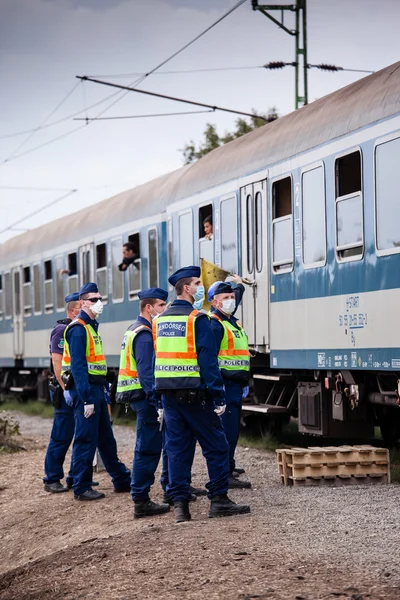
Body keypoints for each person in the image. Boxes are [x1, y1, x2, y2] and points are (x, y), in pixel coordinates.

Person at [153, 265, 250, 522]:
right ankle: (219, 500)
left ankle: (181, 508)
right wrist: (218, 395)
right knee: (217, 446)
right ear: (186, 288)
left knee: (177, 450)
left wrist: (157, 399)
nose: (200, 288)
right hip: (197, 395)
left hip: (168, 395)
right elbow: (208, 361)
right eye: (197, 283)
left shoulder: (159, 321)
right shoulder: (199, 319)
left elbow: (157, 358)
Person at [62, 282, 131, 501]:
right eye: (93, 300)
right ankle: (81, 487)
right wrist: (86, 398)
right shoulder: (78, 329)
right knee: (85, 439)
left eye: (99, 299)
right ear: (82, 303)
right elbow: (79, 368)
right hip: (87, 392)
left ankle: (121, 479)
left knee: (105, 439)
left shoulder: (91, 327)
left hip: (97, 390)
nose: (98, 303)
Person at [116, 287, 170, 519]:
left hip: (137, 396)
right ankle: (141, 500)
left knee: (145, 446)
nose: (164, 309)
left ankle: (141, 496)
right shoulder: (144, 334)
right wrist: (157, 401)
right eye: (161, 306)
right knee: (147, 449)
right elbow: (147, 373)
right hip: (144, 397)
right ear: (149, 308)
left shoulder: (133, 329)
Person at [209, 282, 252, 489]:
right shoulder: (215, 324)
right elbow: (211, 359)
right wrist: (218, 387)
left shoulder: (232, 322)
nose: (231, 300)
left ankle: (229, 466)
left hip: (236, 384)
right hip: (226, 385)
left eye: (232, 297)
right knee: (226, 431)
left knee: (232, 431)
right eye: (226, 298)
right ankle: (224, 473)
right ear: (214, 302)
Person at [43, 293, 81, 493]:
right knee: (61, 436)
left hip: (76, 390)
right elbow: (58, 365)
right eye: (81, 307)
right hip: (64, 390)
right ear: (73, 310)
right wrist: (66, 389)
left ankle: (75, 477)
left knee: (81, 435)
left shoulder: (78, 328)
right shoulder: (61, 330)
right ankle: (51, 479)